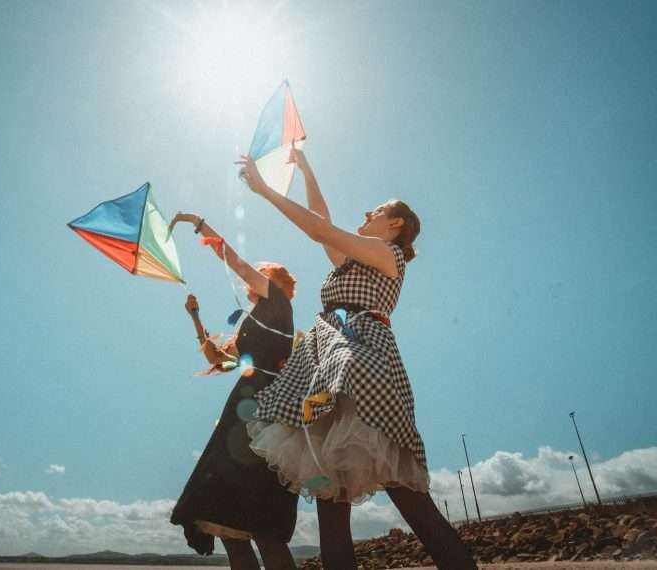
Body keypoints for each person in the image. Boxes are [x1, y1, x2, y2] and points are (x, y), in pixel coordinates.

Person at [237, 149, 478, 570]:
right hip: (329, 358)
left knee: (409, 500)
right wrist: (308, 169)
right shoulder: (354, 261)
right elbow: (323, 220)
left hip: (359, 356)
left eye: (377, 210)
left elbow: (317, 231)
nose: (367, 213)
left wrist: (265, 191)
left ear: (396, 224)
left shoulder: (388, 255)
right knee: (332, 500)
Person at [168, 212, 299, 570]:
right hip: (238, 411)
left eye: (264, 272)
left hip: (267, 410)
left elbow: (233, 259)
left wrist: (199, 223)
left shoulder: (280, 305)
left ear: (279, 283)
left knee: (262, 522)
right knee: (225, 518)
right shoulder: (251, 321)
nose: (253, 275)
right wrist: (195, 317)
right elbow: (221, 360)